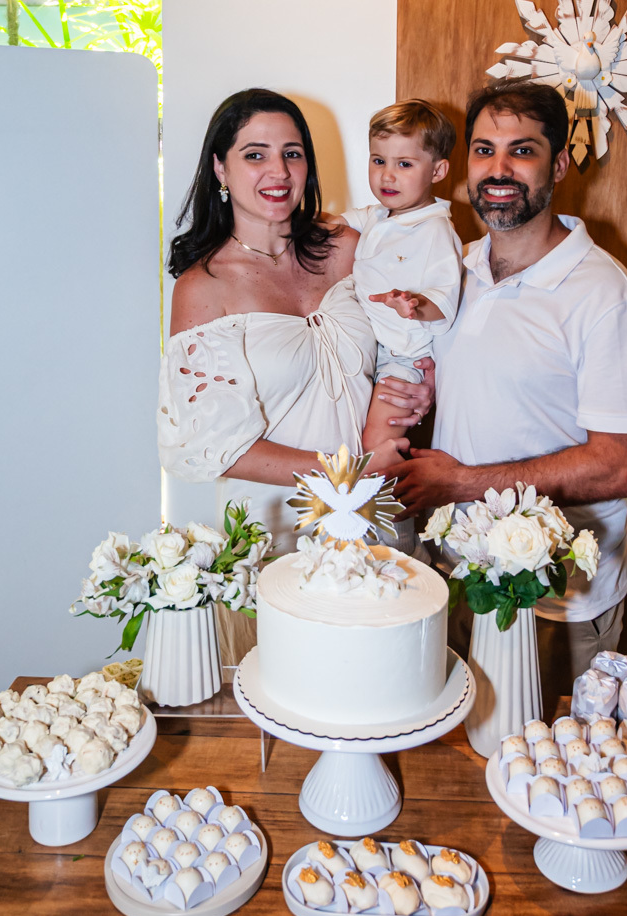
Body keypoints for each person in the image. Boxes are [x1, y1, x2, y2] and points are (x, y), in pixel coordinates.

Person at [388, 81, 627, 709]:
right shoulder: (453, 270)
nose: (499, 170)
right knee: (459, 750)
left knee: (544, 764)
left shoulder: (603, 295)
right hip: (457, 577)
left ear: (559, 165)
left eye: (522, 151)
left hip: (557, 601)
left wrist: (461, 483)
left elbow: (619, 467)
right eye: (484, 150)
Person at [157, 88, 434, 562]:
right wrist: (348, 472)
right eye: (255, 155)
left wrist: (418, 381)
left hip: (377, 512)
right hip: (277, 530)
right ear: (220, 168)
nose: (279, 172)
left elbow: (410, 333)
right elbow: (210, 445)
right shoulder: (203, 287)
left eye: (292, 153)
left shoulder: (350, 246)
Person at [340, 100, 463, 455]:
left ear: (438, 171)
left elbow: (445, 300)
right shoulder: (379, 215)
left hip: (405, 357)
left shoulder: (435, 231)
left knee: (377, 444)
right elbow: (339, 222)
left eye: (404, 164)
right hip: (371, 347)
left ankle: (393, 491)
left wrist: (414, 305)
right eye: (378, 161)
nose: (387, 176)